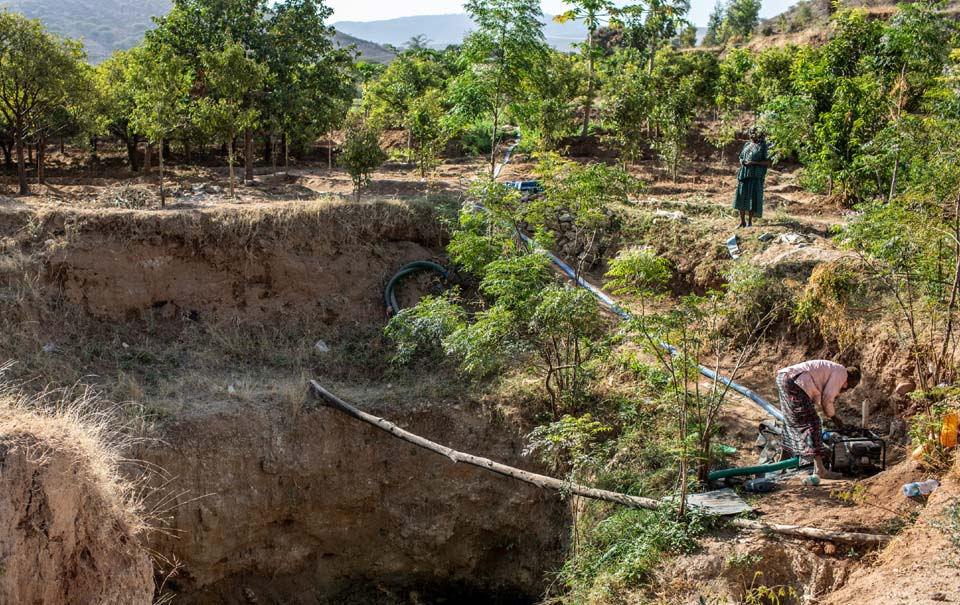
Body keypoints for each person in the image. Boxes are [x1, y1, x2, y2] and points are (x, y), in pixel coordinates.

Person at [775, 360, 861, 480]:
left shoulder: (834, 369)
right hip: (795, 381)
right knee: (813, 423)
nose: (846, 389)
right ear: (850, 379)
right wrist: (834, 418)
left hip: (784, 378)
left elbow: (820, 398)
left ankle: (781, 464)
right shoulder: (841, 374)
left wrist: (830, 413)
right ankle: (820, 469)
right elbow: (827, 398)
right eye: (849, 386)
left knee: (791, 422)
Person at [733, 126, 772, 228]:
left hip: (755, 176)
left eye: (754, 133)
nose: (751, 135)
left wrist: (754, 163)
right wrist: (741, 161)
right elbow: (741, 156)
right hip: (744, 175)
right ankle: (742, 222)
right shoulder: (747, 144)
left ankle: (750, 222)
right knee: (741, 197)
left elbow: (768, 162)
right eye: (750, 133)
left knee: (752, 198)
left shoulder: (763, 146)